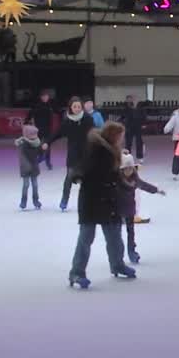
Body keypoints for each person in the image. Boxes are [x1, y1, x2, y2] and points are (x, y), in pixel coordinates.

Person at [68, 122, 136, 288]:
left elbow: (114, 177)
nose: (122, 140)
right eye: (120, 136)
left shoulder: (112, 152)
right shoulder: (95, 151)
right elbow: (80, 170)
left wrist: (127, 185)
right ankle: (76, 272)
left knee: (114, 236)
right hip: (91, 201)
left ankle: (117, 264)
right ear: (113, 136)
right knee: (86, 237)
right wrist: (77, 176)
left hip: (108, 201)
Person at [117, 151, 166, 265]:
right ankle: (117, 255)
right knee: (116, 235)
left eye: (130, 168)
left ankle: (132, 252)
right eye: (126, 169)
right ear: (121, 169)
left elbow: (144, 186)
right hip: (117, 211)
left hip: (129, 209)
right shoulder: (116, 180)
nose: (128, 171)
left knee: (131, 232)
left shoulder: (135, 179)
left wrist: (157, 190)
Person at [51, 97, 95, 212]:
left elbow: (95, 134)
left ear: (82, 107)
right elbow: (58, 133)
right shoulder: (67, 121)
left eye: (79, 107)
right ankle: (64, 201)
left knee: (88, 180)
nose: (76, 109)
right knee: (69, 177)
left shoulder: (88, 119)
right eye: (74, 107)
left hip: (86, 153)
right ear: (71, 107)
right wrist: (47, 142)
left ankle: (89, 203)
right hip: (73, 154)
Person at [16, 123, 46, 210]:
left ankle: (36, 201)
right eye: (33, 134)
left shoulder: (37, 143)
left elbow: (40, 154)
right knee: (26, 185)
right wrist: (40, 148)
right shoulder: (23, 144)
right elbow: (29, 154)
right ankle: (23, 201)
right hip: (26, 168)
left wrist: (43, 150)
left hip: (34, 167)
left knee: (35, 185)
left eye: (36, 134)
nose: (35, 136)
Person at [26, 91, 56, 170]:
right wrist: (26, 122)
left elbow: (56, 113)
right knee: (37, 146)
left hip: (48, 130)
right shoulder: (37, 106)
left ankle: (48, 162)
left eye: (47, 96)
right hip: (38, 130)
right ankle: (38, 159)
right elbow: (30, 114)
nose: (46, 98)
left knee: (47, 146)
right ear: (41, 97)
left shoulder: (50, 105)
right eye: (44, 96)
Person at [121, 95, 146, 160]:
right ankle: (127, 156)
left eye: (131, 99)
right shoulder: (125, 107)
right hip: (129, 127)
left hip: (138, 126)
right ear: (126, 100)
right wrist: (123, 124)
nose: (129, 100)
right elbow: (122, 116)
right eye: (128, 99)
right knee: (128, 142)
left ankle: (140, 157)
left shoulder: (140, 107)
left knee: (139, 142)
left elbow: (143, 116)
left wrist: (143, 123)